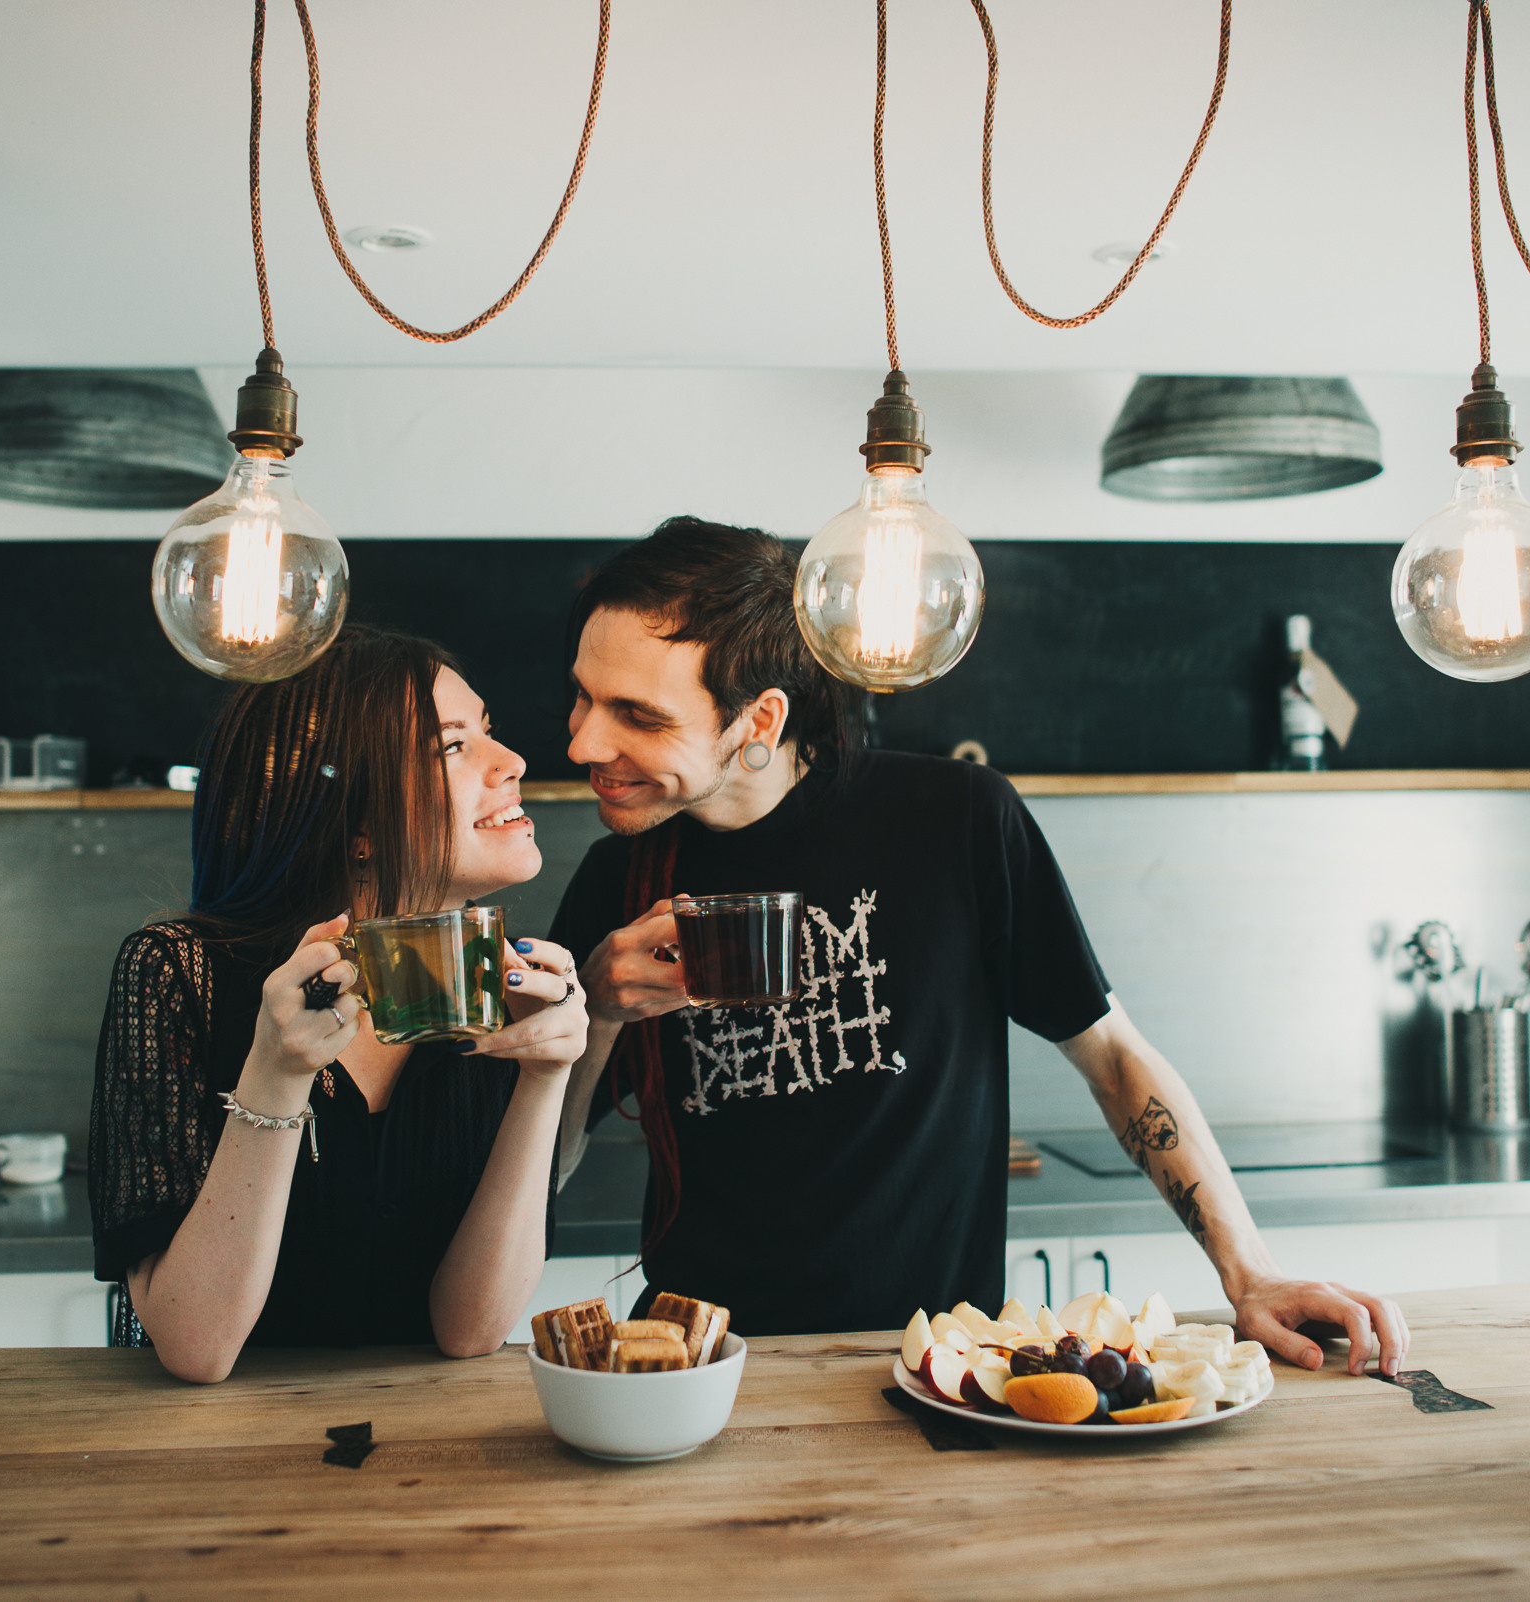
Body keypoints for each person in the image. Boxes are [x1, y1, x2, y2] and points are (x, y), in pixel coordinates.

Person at [549, 518, 1409, 1375]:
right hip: (697, 1375)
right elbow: (538, 1175)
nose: (583, 742)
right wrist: (598, 1014)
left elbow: (1113, 1059)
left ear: (760, 720)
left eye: (638, 715)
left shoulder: (955, 823)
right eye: (584, 697)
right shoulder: (614, 881)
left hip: (940, 1372)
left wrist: (1250, 1272)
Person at [89, 625, 587, 1381]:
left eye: (489, 732)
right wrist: (277, 1074)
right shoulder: (178, 972)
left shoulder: (493, 985)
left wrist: (544, 1079)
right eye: (452, 747)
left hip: (424, 1459)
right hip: (217, 1465)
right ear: (357, 825)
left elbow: (471, 1330)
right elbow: (197, 1347)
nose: (512, 762)